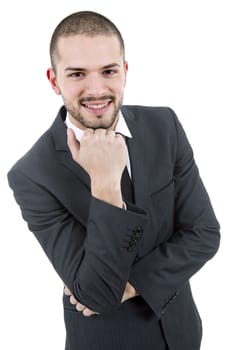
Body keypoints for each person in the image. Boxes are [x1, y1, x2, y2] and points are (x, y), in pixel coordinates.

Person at [7, 10, 220, 350]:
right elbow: (98, 294)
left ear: (125, 72)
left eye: (108, 71)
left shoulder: (164, 126)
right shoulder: (32, 175)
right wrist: (105, 185)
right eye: (77, 74)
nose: (96, 89)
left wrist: (133, 284)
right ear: (53, 80)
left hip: (182, 334)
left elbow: (205, 234)